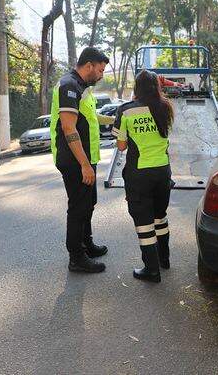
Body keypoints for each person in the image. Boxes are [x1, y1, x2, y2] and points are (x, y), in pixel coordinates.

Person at [50, 47, 111, 273]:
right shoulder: (69, 85)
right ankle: (76, 257)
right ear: (89, 66)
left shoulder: (82, 88)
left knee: (89, 203)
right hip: (74, 160)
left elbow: (90, 118)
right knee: (78, 207)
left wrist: (116, 119)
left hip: (86, 157)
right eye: (101, 70)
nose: (102, 75)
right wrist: (85, 164)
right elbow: (68, 127)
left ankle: (87, 244)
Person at [113, 70, 174, 283]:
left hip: (139, 174)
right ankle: (164, 259)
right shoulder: (166, 107)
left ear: (136, 87)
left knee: (144, 221)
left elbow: (121, 146)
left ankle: (151, 269)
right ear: (156, 86)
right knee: (160, 216)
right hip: (163, 171)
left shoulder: (126, 110)